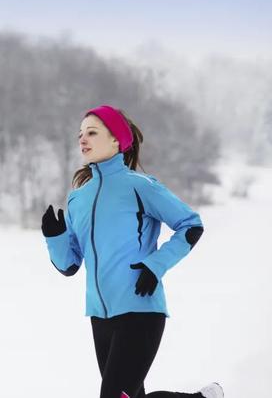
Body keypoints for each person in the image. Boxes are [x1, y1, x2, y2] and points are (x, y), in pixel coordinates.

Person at [41, 105, 223, 398]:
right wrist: (55, 237)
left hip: (140, 309)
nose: (82, 140)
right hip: (100, 317)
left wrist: (155, 265)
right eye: (80, 134)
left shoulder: (140, 187)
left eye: (92, 132)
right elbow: (70, 265)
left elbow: (191, 225)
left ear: (116, 140)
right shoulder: (78, 199)